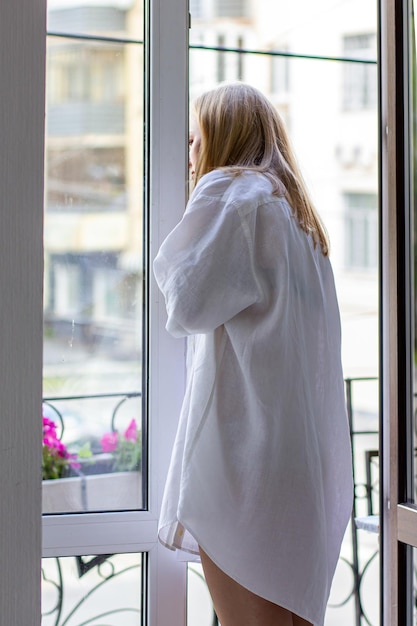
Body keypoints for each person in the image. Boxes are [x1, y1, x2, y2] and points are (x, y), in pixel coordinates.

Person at [153, 82, 353, 626]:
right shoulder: (302, 222)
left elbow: (188, 305)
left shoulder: (233, 194)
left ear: (222, 136)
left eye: (196, 141)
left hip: (248, 464)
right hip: (303, 467)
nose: (191, 156)